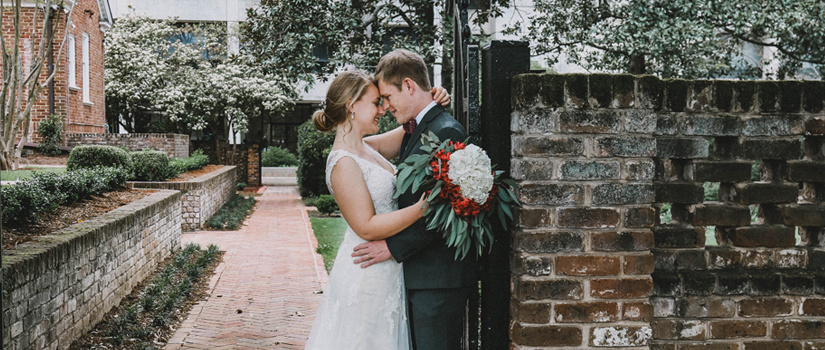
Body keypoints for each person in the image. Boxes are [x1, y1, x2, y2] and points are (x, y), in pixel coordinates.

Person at [304, 70, 450, 349]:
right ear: (351, 106)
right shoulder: (343, 163)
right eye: (375, 103)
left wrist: (433, 99)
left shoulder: (366, 147)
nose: (382, 109)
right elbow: (366, 226)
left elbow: (415, 127)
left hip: (387, 268)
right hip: (367, 271)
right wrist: (422, 208)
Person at [352, 49, 478, 350]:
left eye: (387, 97)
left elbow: (446, 208)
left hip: (439, 280)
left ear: (409, 86)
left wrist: (392, 247)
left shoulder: (445, 131)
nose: (385, 106)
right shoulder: (417, 128)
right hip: (421, 275)